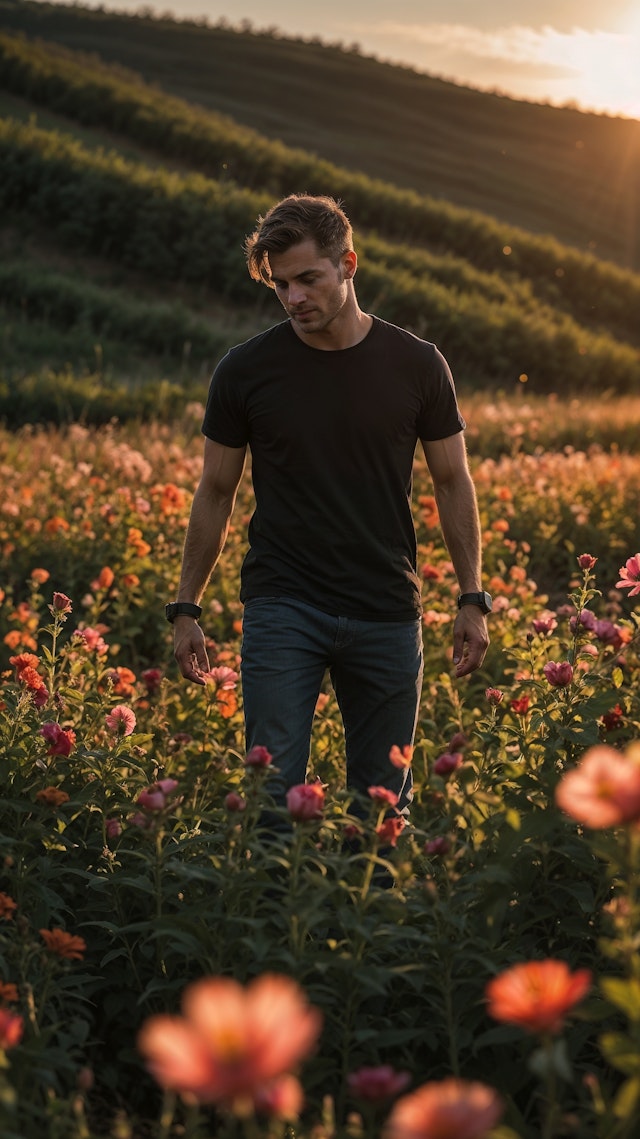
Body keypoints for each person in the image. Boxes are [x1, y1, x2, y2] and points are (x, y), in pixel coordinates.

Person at [168, 193, 489, 818]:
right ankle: (270, 916)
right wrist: (185, 607)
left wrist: (472, 597)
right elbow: (215, 490)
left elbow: (453, 480)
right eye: (280, 285)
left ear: (348, 264)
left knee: (380, 808)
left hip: (387, 609)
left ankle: (358, 920)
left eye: (307, 279)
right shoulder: (245, 372)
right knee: (271, 800)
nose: (293, 299)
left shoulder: (418, 365)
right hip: (283, 603)